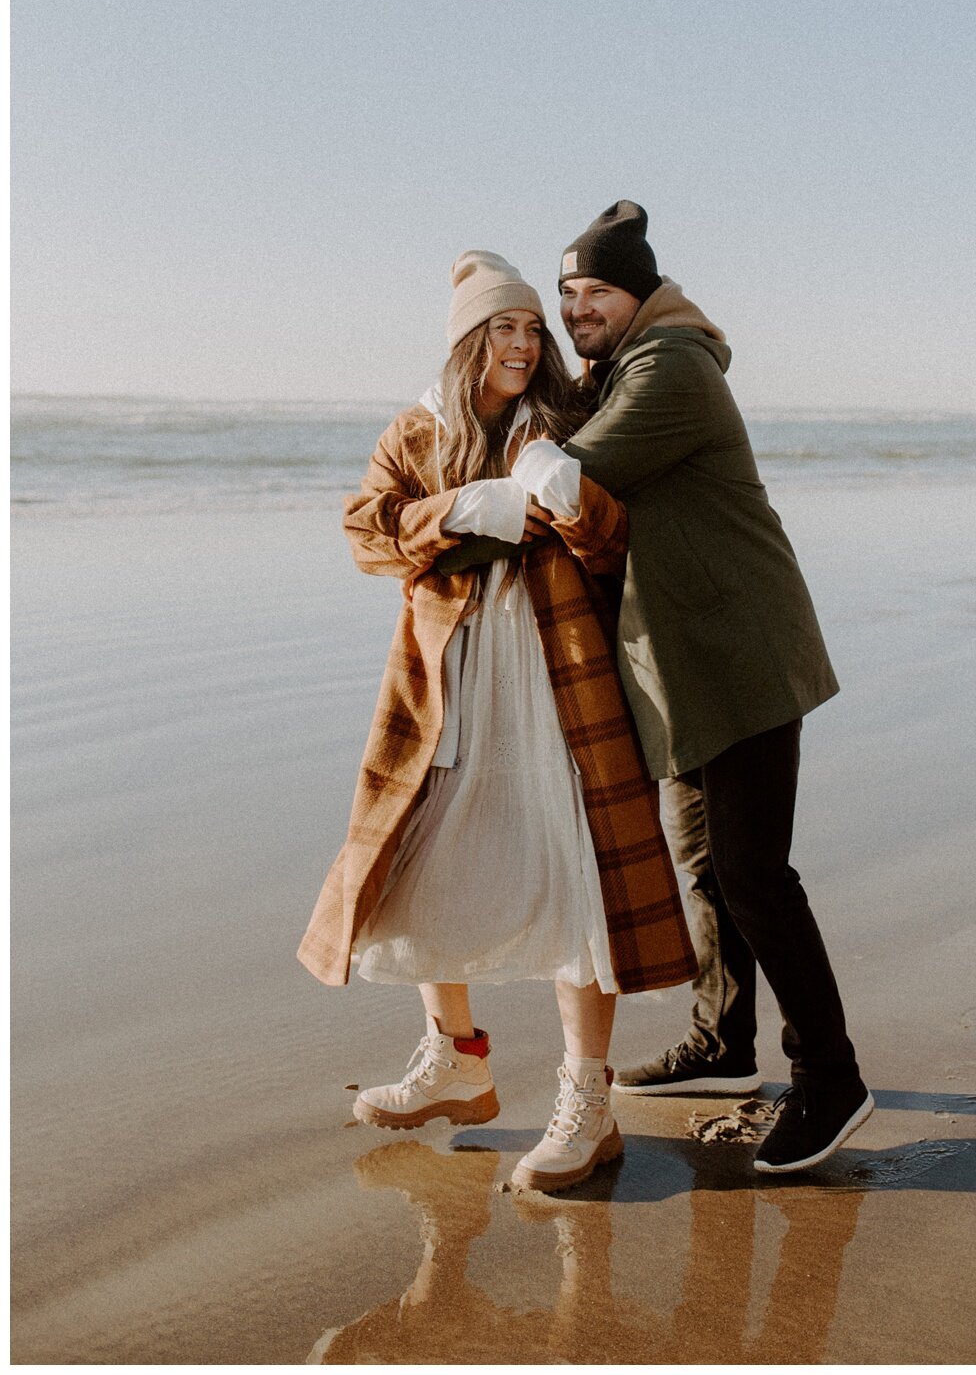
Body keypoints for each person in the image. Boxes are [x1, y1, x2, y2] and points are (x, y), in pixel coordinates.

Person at [298, 250, 697, 1194]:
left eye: (533, 327)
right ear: (468, 340)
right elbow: (365, 531)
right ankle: (459, 1061)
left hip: (562, 680)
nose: (523, 343)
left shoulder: (563, 422)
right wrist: (456, 509)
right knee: (426, 856)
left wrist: (563, 490)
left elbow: (614, 540)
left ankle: (586, 1100)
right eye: (504, 327)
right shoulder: (418, 432)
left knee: (576, 875)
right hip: (452, 682)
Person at [515, 200, 870, 1175]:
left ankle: (831, 1079)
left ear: (638, 293)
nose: (579, 306)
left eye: (597, 290)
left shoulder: (668, 366)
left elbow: (573, 477)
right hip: (684, 659)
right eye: (568, 292)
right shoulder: (632, 363)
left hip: (739, 652)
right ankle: (722, 1046)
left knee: (755, 872)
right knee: (707, 863)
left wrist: (518, 455)